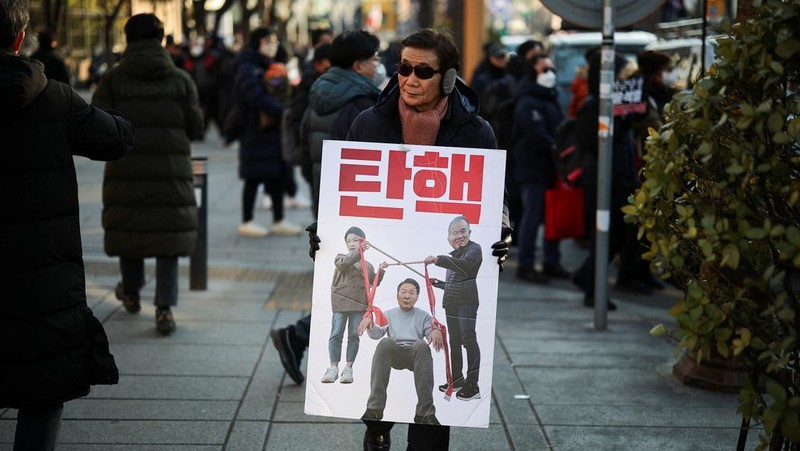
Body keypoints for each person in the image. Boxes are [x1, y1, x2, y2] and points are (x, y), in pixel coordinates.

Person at [343, 28, 512, 451]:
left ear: (448, 79)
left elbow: (496, 203)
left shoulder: (476, 132)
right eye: (403, 68)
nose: (410, 79)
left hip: (457, 299)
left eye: (423, 71)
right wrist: (324, 233)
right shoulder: (368, 123)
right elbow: (343, 198)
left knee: (432, 421)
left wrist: (501, 233)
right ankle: (377, 427)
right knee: (380, 412)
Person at [1, 0, 133, 447]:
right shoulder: (53, 97)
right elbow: (115, 138)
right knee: (42, 389)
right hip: (42, 279)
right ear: (19, 40)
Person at [92, 13, 203, 335]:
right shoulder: (181, 79)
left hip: (126, 170)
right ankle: (164, 309)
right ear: (161, 40)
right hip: (171, 173)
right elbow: (195, 126)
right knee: (168, 240)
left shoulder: (113, 79)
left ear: (128, 40)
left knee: (131, 232)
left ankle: (130, 290)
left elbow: (96, 124)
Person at [571, 50, 640, 311]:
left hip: (619, 178)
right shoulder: (593, 105)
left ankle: (587, 278)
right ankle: (593, 290)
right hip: (600, 181)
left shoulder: (616, 104)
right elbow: (593, 143)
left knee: (619, 235)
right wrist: (619, 121)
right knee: (605, 236)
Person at [232, 26, 302, 238]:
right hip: (254, 130)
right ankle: (247, 221)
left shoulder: (271, 65)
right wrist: (283, 111)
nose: (273, 45)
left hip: (273, 130)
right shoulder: (247, 67)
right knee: (253, 176)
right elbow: (253, 96)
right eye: (268, 41)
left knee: (276, 175)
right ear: (257, 43)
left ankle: (278, 219)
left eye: (275, 41)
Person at [306, 29, 384, 217]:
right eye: (375, 59)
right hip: (353, 201)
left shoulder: (319, 92)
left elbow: (304, 141)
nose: (378, 65)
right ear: (358, 66)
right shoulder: (362, 104)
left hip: (322, 191)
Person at [512, 54, 571, 283]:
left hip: (550, 167)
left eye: (552, 69)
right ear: (532, 71)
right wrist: (555, 147)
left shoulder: (550, 96)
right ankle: (526, 266)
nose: (550, 74)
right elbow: (535, 133)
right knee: (532, 217)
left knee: (551, 217)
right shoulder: (527, 99)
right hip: (532, 168)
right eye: (544, 69)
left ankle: (551, 262)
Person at [359, 278, 444, 426]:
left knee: (421, 344)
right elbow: (376, 335)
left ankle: (425, 412)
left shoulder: (424, 315)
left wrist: (436, 330)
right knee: (385, 342)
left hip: (415, 355)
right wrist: (370, 324)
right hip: (395, 354)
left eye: (412, 293)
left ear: (417, 297)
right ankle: (374, 408)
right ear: (397, 295)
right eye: (403, 292)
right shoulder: (389, 314)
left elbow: (430, 337)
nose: (407, 296)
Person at [423, 216, 483, 401]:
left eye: (463, 231)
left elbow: (465, 268)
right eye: (455, 233)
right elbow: (456, 283)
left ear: (469, 233)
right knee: (455, 342)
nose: (459, 235)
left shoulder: (474, 249)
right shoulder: (454, 256)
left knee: (468, 340)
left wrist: (439, 259)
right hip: (451, 302)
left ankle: (472, 384)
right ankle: (456, 380)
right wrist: (439, 283)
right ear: (449, 237)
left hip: (467, 302)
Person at [322, 226, 387, 384]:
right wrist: (359, 252)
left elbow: (373, 283)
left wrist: (380, 270)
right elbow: (345, 263)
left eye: (356, 240)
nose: (351, 243)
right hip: (340, 303)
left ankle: (348, 368)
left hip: (359, 305)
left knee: (354, 336)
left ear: (363, 242)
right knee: (336, 334)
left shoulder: (368, 265)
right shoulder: (340, 258)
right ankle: (333, 368)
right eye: (348, 241)